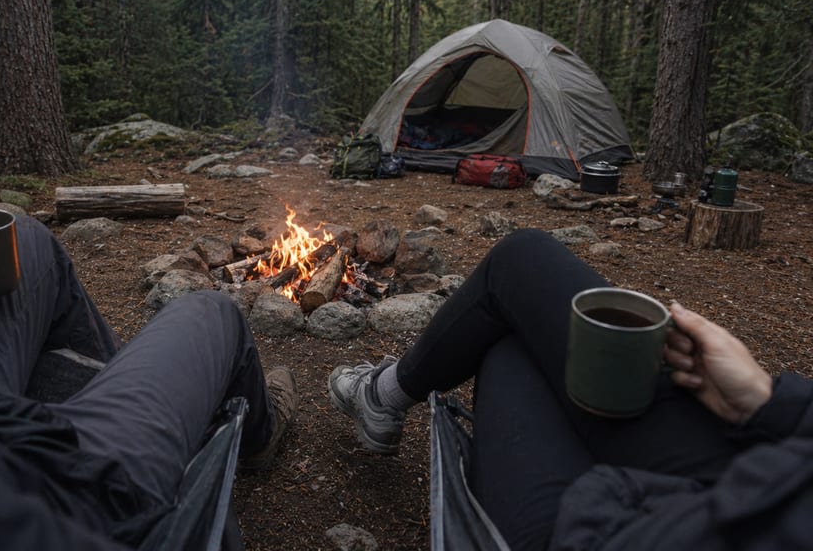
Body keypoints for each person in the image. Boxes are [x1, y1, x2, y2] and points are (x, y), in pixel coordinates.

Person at [329, 228, 812, 550]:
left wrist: (605, 485)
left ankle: (382, 397)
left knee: (510, 345)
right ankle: (382, 398)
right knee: (523, 261)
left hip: (635, 527)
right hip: (763, 463)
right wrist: (769, 404)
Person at [0, 213, 299, 549]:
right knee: (210, 310)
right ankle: (254, 439)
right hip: (10, 472)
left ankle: (118, 389)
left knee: (23, 238)